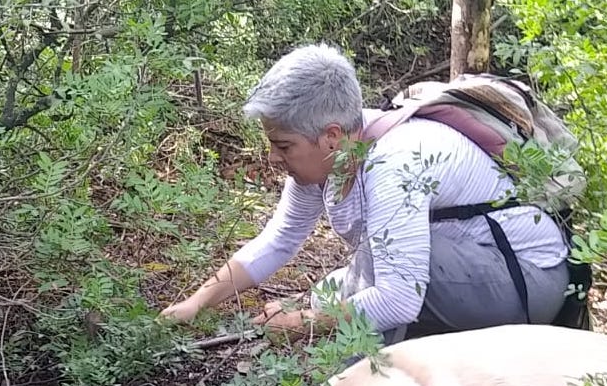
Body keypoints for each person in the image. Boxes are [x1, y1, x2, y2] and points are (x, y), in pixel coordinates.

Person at [159, 44, 571, 345]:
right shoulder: (326, 159)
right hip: (468, 273)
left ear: (331, 136)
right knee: (331, 289)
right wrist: (198, 302)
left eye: (283, 146)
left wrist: (309, 321)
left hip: (526, 285)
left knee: (368, 268)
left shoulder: (395, 161)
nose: (272, 158)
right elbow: (278, 240)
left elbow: (398, 299)